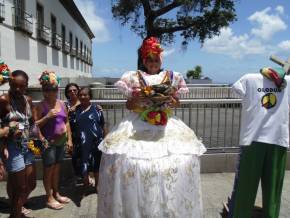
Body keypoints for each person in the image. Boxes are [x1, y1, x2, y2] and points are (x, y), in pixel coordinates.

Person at [97, 37, 206, 218]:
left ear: (160, 60)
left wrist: (172, 101)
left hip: (166, 124)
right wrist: (137, 99)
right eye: (149, 60)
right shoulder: (133, 77)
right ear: (144, 61)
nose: (153, 63)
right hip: (138, 122)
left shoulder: (173, 76)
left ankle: (167, 208)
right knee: (127, 162)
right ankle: (140, 208)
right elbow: (129, 106)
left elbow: (176, 103)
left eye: (156, 60)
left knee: (173, 163)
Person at [228, 67, 290, 218]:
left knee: (245, 189)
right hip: (278, 139)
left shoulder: (248, 78)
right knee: (273, 191)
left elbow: (234, 89)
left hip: (252, 140)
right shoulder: (286, 82)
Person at [0, 70, 36, 218]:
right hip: (12, 147)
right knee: (19, 187)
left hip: (27, 145)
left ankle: (16, 209)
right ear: (9, 83)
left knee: (30, 183)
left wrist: (40, 138)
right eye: (14, 86)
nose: (17, 90)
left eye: (21, 86)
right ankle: (15, 214)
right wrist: (3, 144)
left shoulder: (28, 99)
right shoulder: (4, 100)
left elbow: (32, 122)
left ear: (26, 86)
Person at [35, 71, 72, 210]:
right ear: (44, 91)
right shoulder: (40, 106)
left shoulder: (62, 104)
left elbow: (67, 122)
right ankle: (48, 197)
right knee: (48, 170)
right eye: (49, 89)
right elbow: (34, 126)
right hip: (48, 143)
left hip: (61, 142)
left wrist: (69, 140)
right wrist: (47, 117)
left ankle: (56, 193)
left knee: (57, 169)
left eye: (55, 89)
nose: (53, 91)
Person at [73, 87, 106, 192]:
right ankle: (86, 184)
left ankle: (98, 185)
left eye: (85, 95)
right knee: (83, 162)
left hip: (96, 141)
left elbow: (102, 125)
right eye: (81, 95)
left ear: (90, 96)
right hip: (81, 142)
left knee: (97, 163)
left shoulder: (97, 109)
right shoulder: (75, 110)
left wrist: (106, 139)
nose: (82, 96)